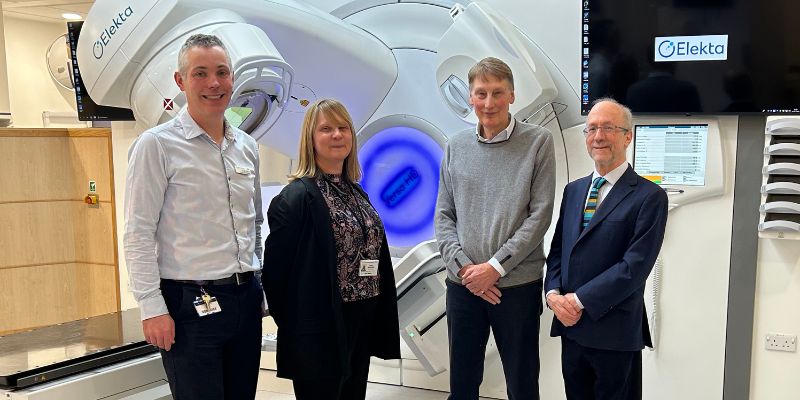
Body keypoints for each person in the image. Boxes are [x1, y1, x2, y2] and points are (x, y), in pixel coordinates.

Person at [123, 34, 263, 399]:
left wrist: (258, 279)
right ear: (180, 81)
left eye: (222, 72)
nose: (214, 83)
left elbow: (255, 221)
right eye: (200, 73)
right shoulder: (157, 145)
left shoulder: (246, 147)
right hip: (189, 304)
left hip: (244, 299)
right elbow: (138, 232)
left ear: (233, 78)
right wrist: (152, 308)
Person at [262, 99, 400, 400]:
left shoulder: (355, 191)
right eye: (326, 129)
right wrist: (301, 329)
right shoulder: (296, 199)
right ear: (310, 139)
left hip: (360, 321)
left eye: (343, 128)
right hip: (320, 329)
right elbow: (274, 277)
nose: (337, 135)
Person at [435, 56, 555, 400]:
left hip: (517, 287)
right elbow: (444, 215)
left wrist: (494, 268)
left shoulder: (538, 142)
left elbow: (540, 215)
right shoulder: (455, 146)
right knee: (462, 385)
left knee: (521, 384)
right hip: (463, 286)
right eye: (481, 93)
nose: (489, 103)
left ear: (512, 96)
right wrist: (467, 271)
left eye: (497, 93)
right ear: (470, 97)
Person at [545, 98, 668, 400]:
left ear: (628, 136)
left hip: (614, 331)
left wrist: (578, 300)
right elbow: (558, 249)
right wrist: (553, 295)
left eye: (609, 128)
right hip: (571, 328)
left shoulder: (649, 197)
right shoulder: (574, 190)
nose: (598, 136)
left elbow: (634, 267)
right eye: (592, 129)